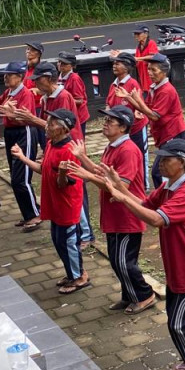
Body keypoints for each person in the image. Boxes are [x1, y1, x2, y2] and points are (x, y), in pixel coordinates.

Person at [102, 139, 185, 370]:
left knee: (180, 324)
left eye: (167, 159)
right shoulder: (168, 186)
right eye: (160, 158)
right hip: (178, 263)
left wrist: (121, 197)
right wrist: (120, 185)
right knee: (173, 318)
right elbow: (145, 204)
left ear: (183, 163)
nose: (161, 163)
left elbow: (156, 219)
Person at [60, 106, 155, 315]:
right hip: (115, 213)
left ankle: (144, 294)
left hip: (127, 213)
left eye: (110, 121)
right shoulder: (112, 146)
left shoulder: (128, 150)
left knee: (124, 261)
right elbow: (100, 172)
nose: (105, 123)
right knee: (116, 259)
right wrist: (83, 158)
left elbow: (121, 185)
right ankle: (129, 295)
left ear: (123, 127)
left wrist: (87, 175)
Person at [11, 109, 88, 294]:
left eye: (53, 123)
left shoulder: (69, 151)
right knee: (58, 241)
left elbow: (64, 184)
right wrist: (22, 157)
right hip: (54, 204)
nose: (47, 125)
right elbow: (43, 169)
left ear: (64, 129)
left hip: (67, 206)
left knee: (69, 243)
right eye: (49, 121)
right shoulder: (52, 143)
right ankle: (71, 273)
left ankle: (79, 277)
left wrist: (62, 173)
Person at [114, 53, 185, 189]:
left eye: (154, 70)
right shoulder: (155, 87)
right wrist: (131, 99)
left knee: (160, 172)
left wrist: (133, 100)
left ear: (164, 72)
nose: (150, 73)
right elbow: (146, 108)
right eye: (149, 69)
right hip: (165, 134)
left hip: (172, 134)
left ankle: (168, 199)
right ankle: (168, 198)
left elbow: (154, 115)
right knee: (163, 171)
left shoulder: (166, 90)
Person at [0, 62, 41, 231]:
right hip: (11, 133)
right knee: (15, 176)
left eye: (9, 75)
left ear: (19, 77)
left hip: (23, 132)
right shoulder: (9, 92)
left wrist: (12, 114)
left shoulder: (25, 94)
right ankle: (28, 213)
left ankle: (35, 215)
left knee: (21, 178)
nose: (6, 77)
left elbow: (27, 119)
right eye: (5, 75)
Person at [57, 51, 95, 247]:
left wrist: (67, 97)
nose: (60, 66)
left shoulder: (74, 79)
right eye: (59, 63)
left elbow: (80, 99)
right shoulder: (61, 79)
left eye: (64, 64)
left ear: (70, 65)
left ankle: (87, 233)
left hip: (78, 119)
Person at [8, 62, 84, 143]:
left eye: (38, 79)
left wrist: (32, 118)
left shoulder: (62, 97)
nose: (35, 83)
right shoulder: (47, 96)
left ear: (49, 78)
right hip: (55, 142)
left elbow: (59, 128)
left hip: (68, 145)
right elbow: (42, 123)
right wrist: (18, 116)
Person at [107, 52, 149, 190]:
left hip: (136, 128)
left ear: (126, 67)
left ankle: (144, 186)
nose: (114, 66)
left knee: (140, 155)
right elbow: (109, 103)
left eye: (117, 63)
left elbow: (140, 107)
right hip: (121, 130)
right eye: (114, 63)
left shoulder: (132, 84)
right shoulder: (114, 85)